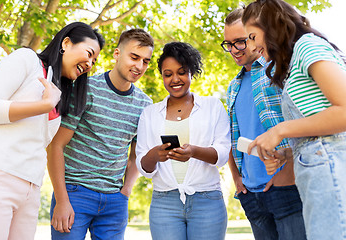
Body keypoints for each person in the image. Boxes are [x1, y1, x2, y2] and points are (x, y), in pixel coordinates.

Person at [0, 22, 104, 240]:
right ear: (66, 43)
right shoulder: (26, 60)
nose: (89, 64)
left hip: (30, 190)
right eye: (88, 54)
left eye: (94, 61)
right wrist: (43, 106)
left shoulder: (59, 91)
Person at [242, 0, 346, 239]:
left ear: (270, 26)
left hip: (331, 166)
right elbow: (320, 128)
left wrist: (280, 130)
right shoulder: (291, 65)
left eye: (251, 36)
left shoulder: (307, 46)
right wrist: (287, 155)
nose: (250, 46)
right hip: (316, 167)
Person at [47, 28, 154, 240]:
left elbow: (135, 155)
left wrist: (125, 192)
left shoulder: (145, 105)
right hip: (75, 194)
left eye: (146, 61)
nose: (139, 66)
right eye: (134, 57)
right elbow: (56, 145)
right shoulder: (85, 88)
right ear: (117, 54)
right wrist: (62, 200)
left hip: (115, 201)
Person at [223, 8, 306, 240]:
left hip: (287, 186)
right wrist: (237, 180)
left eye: (240, 41)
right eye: (228, 44)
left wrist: (285, 173)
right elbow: (232, 135)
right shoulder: (233, 87)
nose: (233, 50)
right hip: (251, 194)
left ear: (254, 36)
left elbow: (304, 121)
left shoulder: (279, 70)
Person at [136, 42, 230, 240]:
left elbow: (222, 154)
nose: (175, 79)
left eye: (182, 72)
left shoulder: (213, 106)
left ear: (191, 73)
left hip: (207, 200)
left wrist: (194, 151)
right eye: (168, 74)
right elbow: (143, 167)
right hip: (164, 203)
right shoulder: (149, 114)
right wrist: (155, 155)